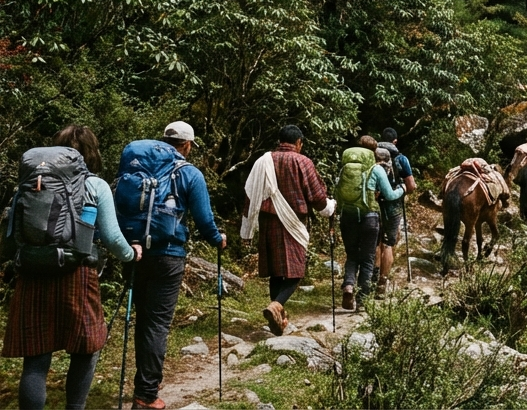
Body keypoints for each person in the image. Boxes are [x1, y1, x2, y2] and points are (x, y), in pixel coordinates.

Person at [3, 126, 140, 410]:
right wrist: (131, 255)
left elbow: (10, 236)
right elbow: (113, 238)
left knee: (37, 357)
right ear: (91, 153)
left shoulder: (31, 182)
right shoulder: (95, 185)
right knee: (85, 349)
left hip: (32, 273)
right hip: (76, 275)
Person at [114, 121, 224, 410]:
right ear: (187, 145)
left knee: (143, 321)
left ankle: (145, 384)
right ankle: (147, 395)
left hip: (133, 252)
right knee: (157, 324)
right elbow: (203, 219)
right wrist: (218, 239)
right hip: (168, 255)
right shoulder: (189, 173)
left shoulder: (137, 166)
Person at [241, 125, 334, 336]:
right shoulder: (302, 162)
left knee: (276, 271)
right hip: (293, 223)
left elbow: (250, 192)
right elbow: (318, 196)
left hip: (267, 222)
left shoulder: (263, 161)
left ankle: (278, 320)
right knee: (295, 272)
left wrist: (246, 228)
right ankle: (277, 305)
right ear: (299, 142)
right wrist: (329, 208)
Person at [335, 136, 404, 310]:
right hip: (369, 218)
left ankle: (349, 285)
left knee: (351, 255)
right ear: (373, 152)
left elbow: (337, 194)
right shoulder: (376, 169)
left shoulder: (345, 169)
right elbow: (389, 195)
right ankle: (362, 301)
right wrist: (401, 190)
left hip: (347, 216)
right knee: (367, 259)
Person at [374, 128, 414, 292]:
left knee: (375, 243)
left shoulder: (372, 156)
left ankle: (371, 278)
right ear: (395, 141)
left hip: (373, 204)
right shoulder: (401, 159)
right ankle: (382, 284)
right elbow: (411, 186)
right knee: (389, 243)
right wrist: (403, 189)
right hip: (393, 206)